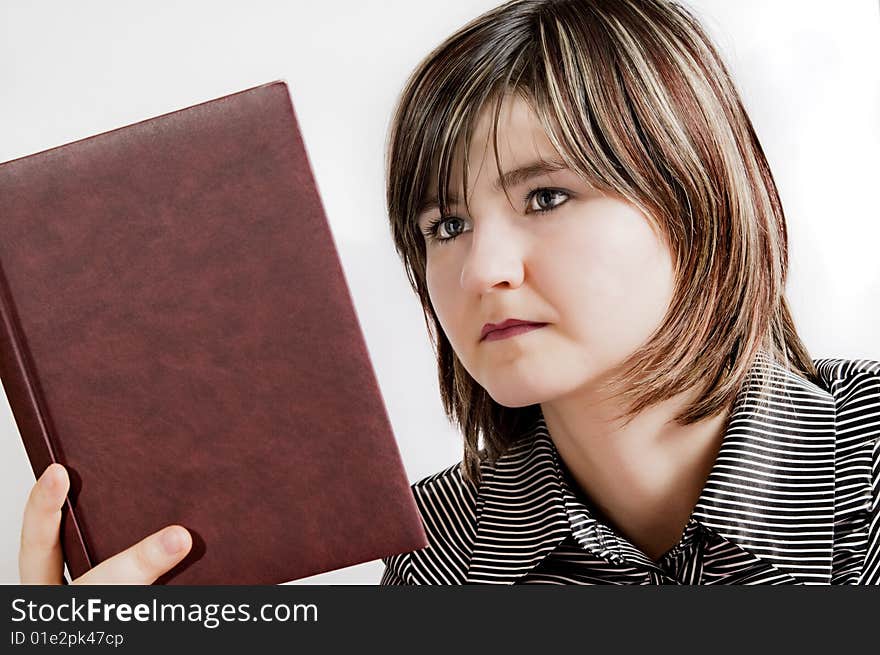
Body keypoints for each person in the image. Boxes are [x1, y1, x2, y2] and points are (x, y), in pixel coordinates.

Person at [18, 0, 879, 586]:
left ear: (695, 195)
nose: (478, 271)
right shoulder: (441, 558)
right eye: (445, 225)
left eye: (547, 197)